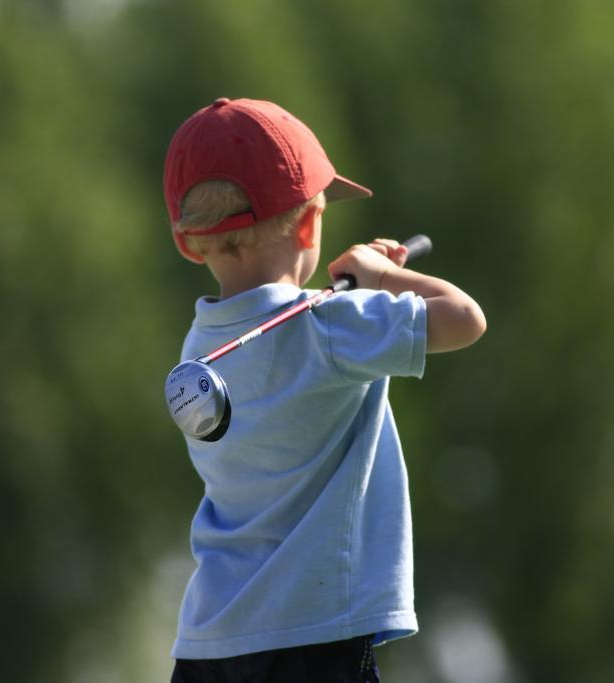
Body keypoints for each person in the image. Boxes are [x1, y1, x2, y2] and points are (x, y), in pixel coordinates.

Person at [162, 97, 486, 683]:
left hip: (208, 645)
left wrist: (360, 295)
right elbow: (465, 318)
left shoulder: (197, 345)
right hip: (313, 638)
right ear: (311, 222)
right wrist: (387, 277)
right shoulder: (333, 327)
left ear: (189, 243)